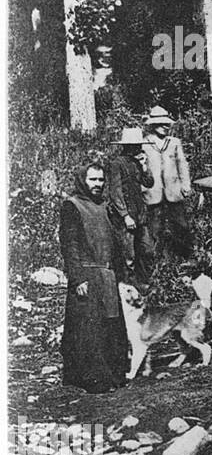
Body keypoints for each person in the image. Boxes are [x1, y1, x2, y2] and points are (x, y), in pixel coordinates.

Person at [59, 160, 129, 393]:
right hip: (87, 276)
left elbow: (114, 244)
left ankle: (113, 377)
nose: (97, 184)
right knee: (89, 331)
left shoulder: (105, 206)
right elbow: (70, 246)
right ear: (83, 180)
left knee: (111, 327)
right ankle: (92, 380)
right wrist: (78, 279)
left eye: (101, 180)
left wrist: (122, 276)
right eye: (93, 180)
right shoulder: (72, 206)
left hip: (107, 275)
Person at [142, 106, 193, 259]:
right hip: (153, 192)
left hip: (174, 191)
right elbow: (141, 170)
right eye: (160, 124)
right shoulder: (145, 143)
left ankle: (186, 258)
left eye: (166, 124)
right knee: (155, 227)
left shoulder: (174, 142)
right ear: (152, 125)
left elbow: (182, 164)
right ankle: (158, 261)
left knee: (181, 225)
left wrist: (186, 185)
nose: (165, 127)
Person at [105, 126, 154, 279]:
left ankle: (145, 281)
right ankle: (129, 286)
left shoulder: (138, 162)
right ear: (128, 146)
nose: (139, 148)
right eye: (136, 145)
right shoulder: (116, 164)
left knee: (147, 249)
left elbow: (149, 183)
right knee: (128, 255)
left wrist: (145, 166)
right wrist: (125, 215)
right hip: (125, 217)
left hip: (140, 214)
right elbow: (115, 191)